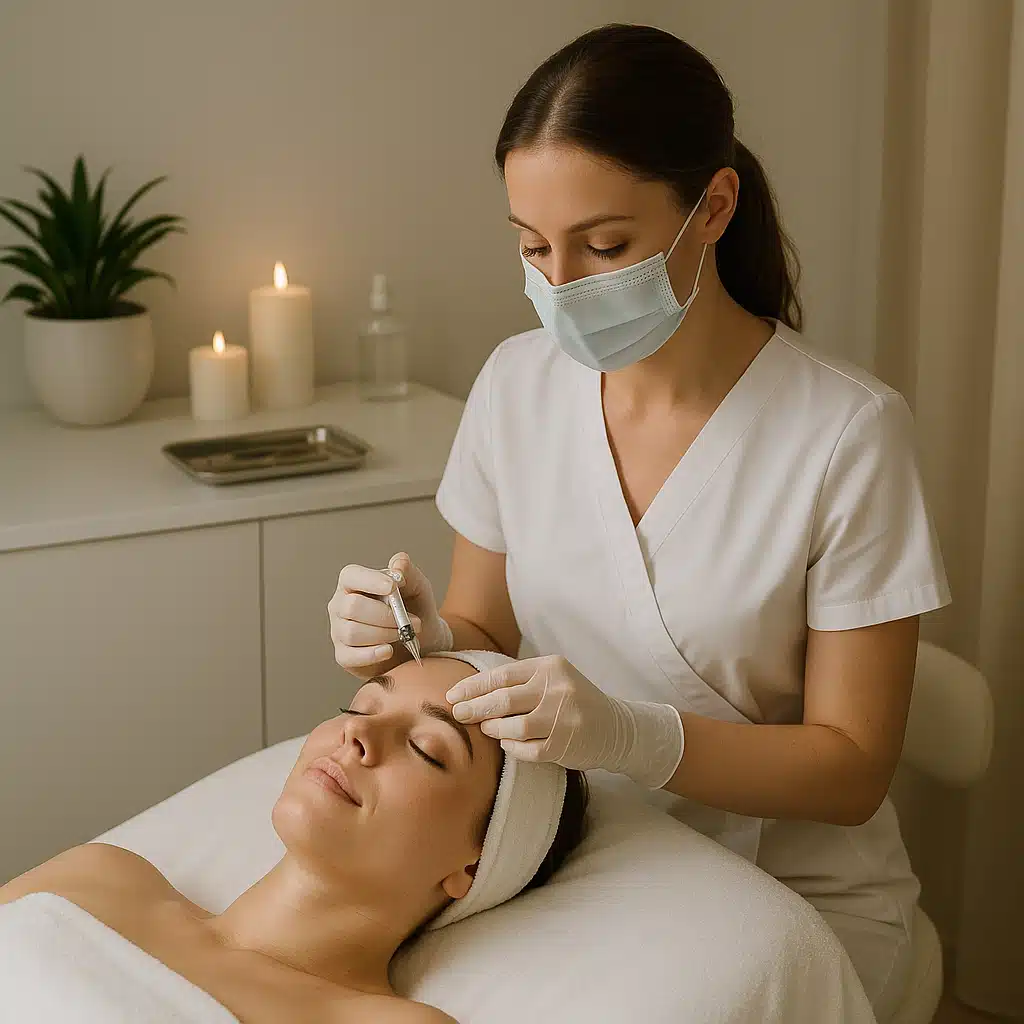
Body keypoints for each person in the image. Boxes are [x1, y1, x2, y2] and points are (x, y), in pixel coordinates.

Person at [327, 22, 949, 1022]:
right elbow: (483, 637)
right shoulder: (514, 386)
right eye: (533, 247)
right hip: (573, 851)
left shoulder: (846, 431)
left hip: (790, 893)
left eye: (603, 244)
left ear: (711, 206)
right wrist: (423, 640)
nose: (561, 286)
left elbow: (851, 770)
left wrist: (631, 736)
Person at [0, 652, 589, 1023]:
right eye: (358, 705)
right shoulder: (104, 876)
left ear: (471, 865)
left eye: (424, 750)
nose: (359, 732)